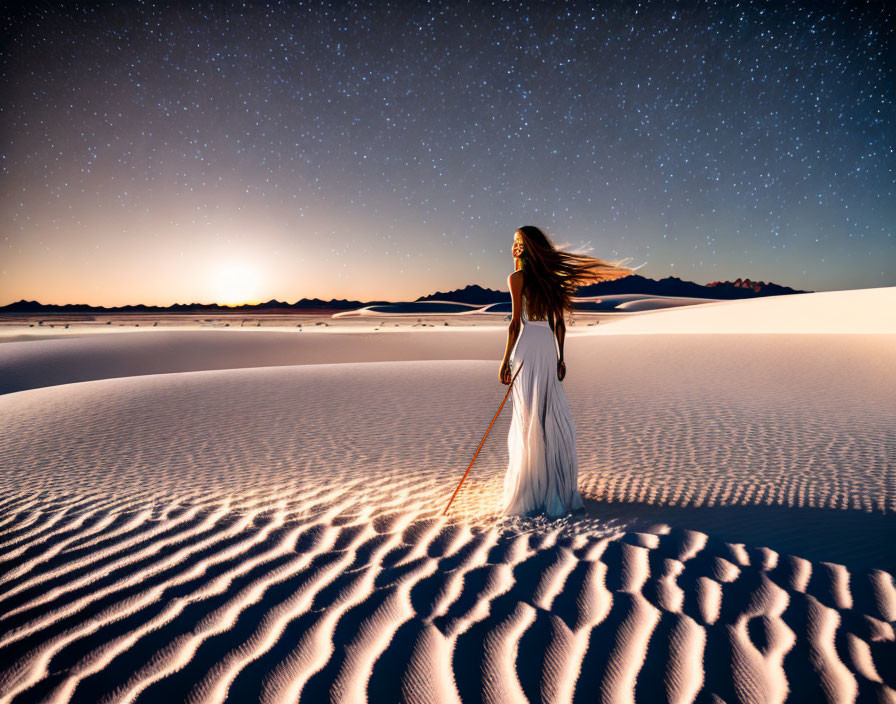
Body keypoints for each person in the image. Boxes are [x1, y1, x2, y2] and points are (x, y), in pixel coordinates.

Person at [498, 226, 635, 517]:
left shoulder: (517, 278)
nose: (514, 248)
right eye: (513, 243)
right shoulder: (552, 282)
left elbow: (514, 324)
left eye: (519, 243)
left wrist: (504, 360)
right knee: (547, 415)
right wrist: (560, 357)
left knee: (528, 415)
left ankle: (529, 489)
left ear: (529, 248)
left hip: (526, 348)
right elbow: (559, 324)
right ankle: (551, 488)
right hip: (546, 349)